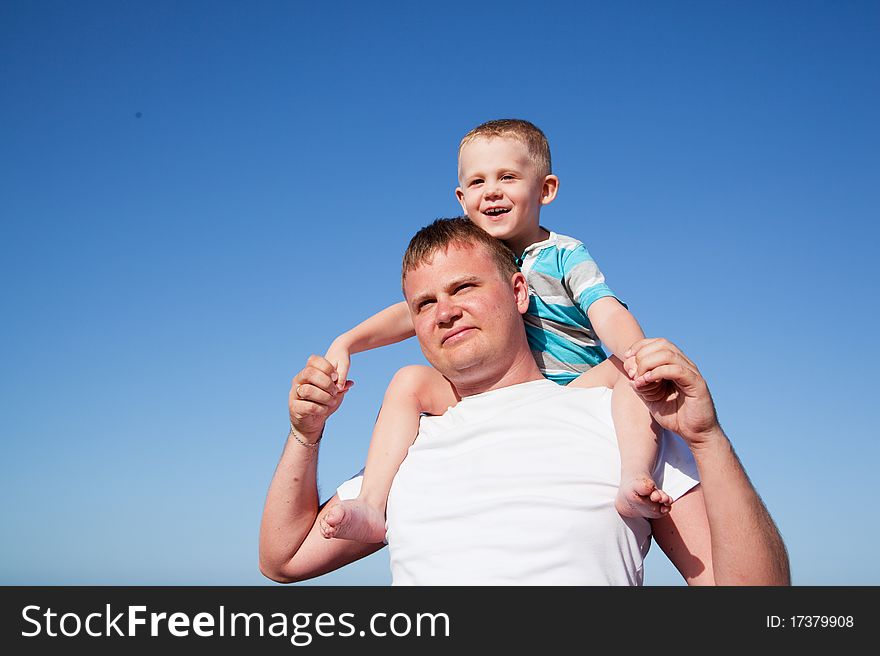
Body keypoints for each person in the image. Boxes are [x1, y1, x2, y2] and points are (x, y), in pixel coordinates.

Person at [259, 218, 790, 585]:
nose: (445, 312)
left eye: (464, 287)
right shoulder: (406, 443)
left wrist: (707, 438)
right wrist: (306, 435)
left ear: (518, 292)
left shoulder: (623, 415)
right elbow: (283, 558)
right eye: (425, 303)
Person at [320, 119, 667, 545]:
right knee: (409, 381)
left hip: (574, 388)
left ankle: (634, 474)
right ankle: (372, 504)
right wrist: (347, 342)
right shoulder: (477, 260)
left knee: (627, 374)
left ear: (546, 189)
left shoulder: (563, 253)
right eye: (478, 181)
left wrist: (637, 351)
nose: (493, 190)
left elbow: (604, 308)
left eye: (508, 177)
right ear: (462, 199)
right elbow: (414, 311)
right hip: (500, 396)